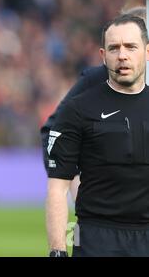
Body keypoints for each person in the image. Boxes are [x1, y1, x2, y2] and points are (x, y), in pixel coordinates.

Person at [46, 14, 149, 256]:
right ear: (103, 56)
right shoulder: (77, 109)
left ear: (146, 51)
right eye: (114, 48)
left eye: (130, 47)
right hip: (95, 236)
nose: (122, 55)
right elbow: (58, 187)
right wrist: (57, 251)